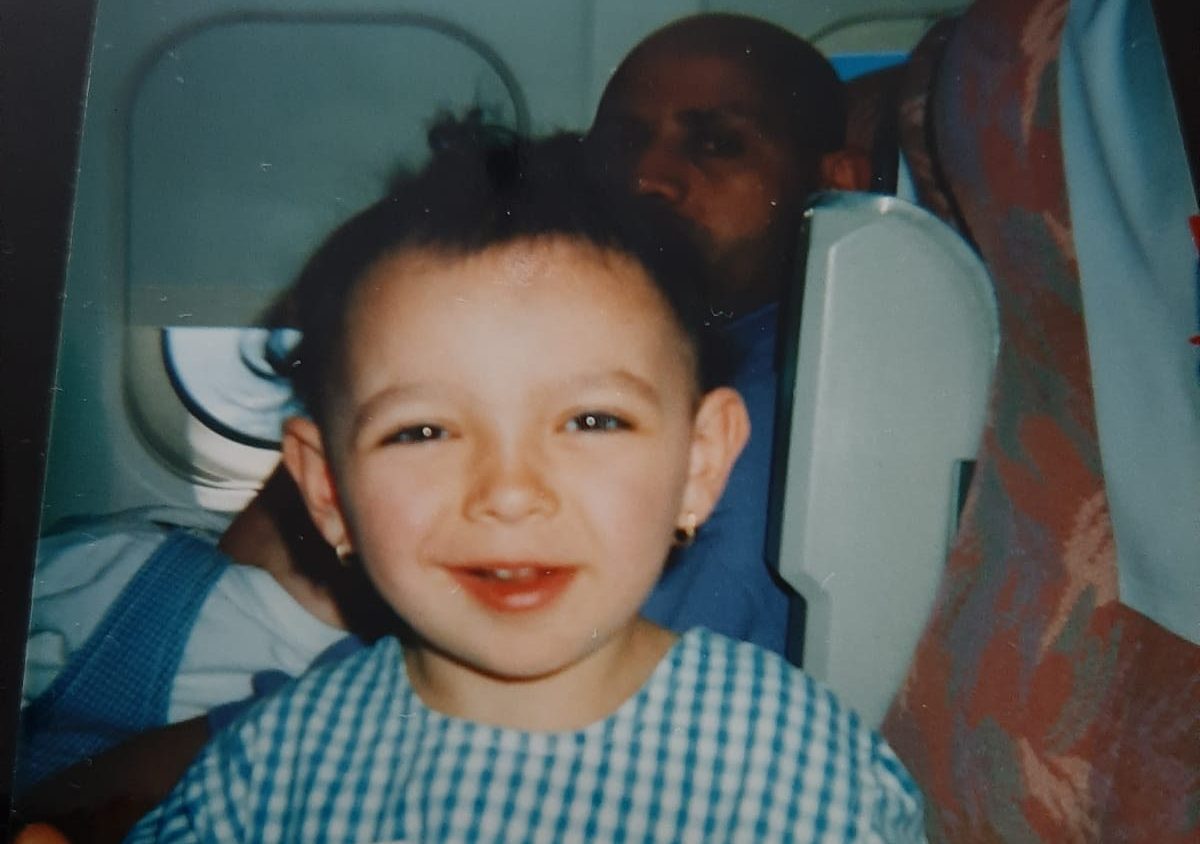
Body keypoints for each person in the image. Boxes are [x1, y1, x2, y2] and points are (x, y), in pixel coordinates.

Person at [125, 122, 922, 842]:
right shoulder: (274, 766)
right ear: (327, 491)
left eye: (591, 421)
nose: (508, 493)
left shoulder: (795, 769)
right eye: (423, 431)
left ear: (701, 464)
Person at [586, 13, 868, 655]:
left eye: (716, 144)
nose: (644, 178)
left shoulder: (771, 408)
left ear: (832, 183)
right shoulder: (655, 353)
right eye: (623, 143)